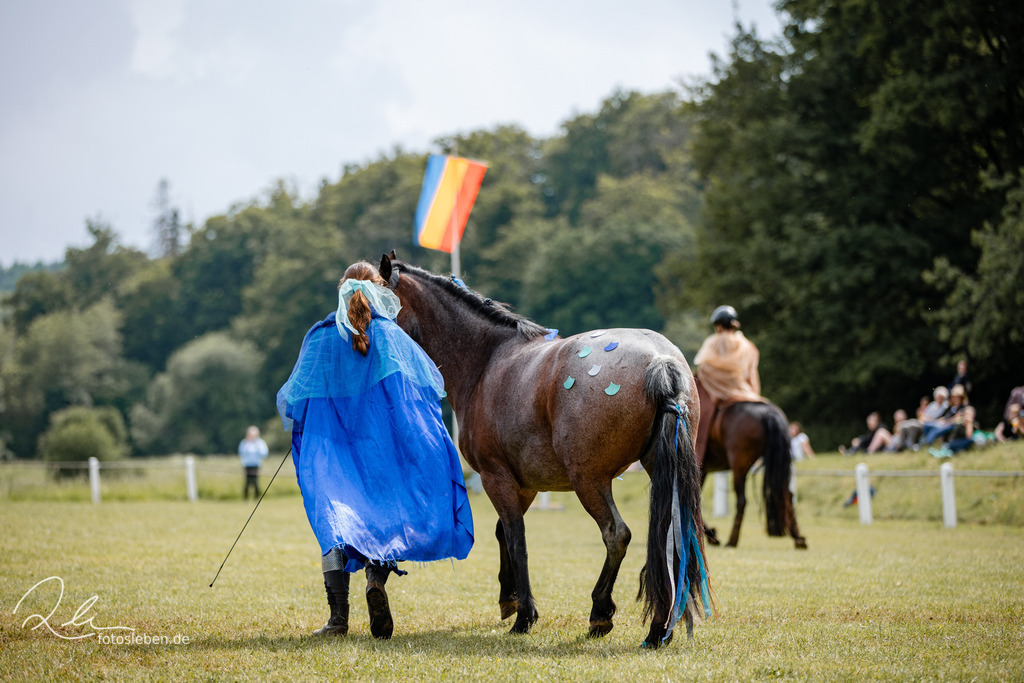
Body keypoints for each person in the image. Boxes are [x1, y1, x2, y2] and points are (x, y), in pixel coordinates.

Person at [277, 261, 474, 639]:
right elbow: (423, 397)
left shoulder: (320, 336)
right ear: (379, 288)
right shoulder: (394, 337)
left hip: (333, 453)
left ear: (342, 287)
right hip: (383, 451)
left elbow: (298, 398)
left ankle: (337, 620)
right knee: (382, 517)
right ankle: (375, 581)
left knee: (335, 523)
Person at [693, 305, 762, 462]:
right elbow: (752, 374)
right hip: (742, 389)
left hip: (716, 390)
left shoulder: (713, 342)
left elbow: (704, 368)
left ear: (718, 326)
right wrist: (754, 394)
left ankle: (696, 451)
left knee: (697, 415)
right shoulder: (747, 345)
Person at [238, 425, 269, 499]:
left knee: (255, 482)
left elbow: (264, 453)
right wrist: (246, 443)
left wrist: (256, 445)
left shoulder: (260, 443)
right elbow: (241, 452)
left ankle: (256, 497)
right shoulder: (245, 442)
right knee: (247, 482)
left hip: (256, 464)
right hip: (247, 464)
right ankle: (246, 497)